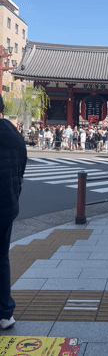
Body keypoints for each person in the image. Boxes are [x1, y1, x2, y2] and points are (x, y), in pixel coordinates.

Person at [0, 94, 27, 329]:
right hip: (6, 204)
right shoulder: (13, 133)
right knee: (1, 259)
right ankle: (5, 312)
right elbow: (22, 169)